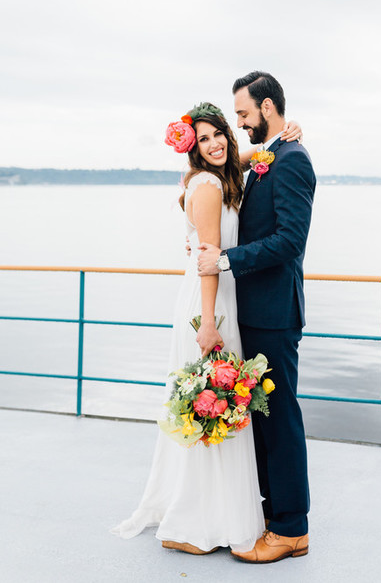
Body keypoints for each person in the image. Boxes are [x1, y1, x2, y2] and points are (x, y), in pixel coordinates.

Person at [111, 101, 302, 554]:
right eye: (203, 138)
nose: (215, 142)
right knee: (211, 406)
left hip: (220, 302)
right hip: (210, 306)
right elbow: (209, 261)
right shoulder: (209, 186)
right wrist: (211, 323)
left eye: (220, 132)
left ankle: (207, 513)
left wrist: (287, 132)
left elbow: (252, 154)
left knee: (217, 408)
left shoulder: (216, 176)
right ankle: (196, 522)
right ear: (191, 148)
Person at [198, 71, 316, 564]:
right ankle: (272, 515)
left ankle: (291, 529)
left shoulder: (291, 162)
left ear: (267, 108)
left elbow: (290, 241)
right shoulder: (270, 156)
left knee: (280, 417)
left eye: (244, 114)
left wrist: (225, 260)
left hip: (273, 314)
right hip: (252, 312)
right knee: (261, 420)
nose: (240, 124)